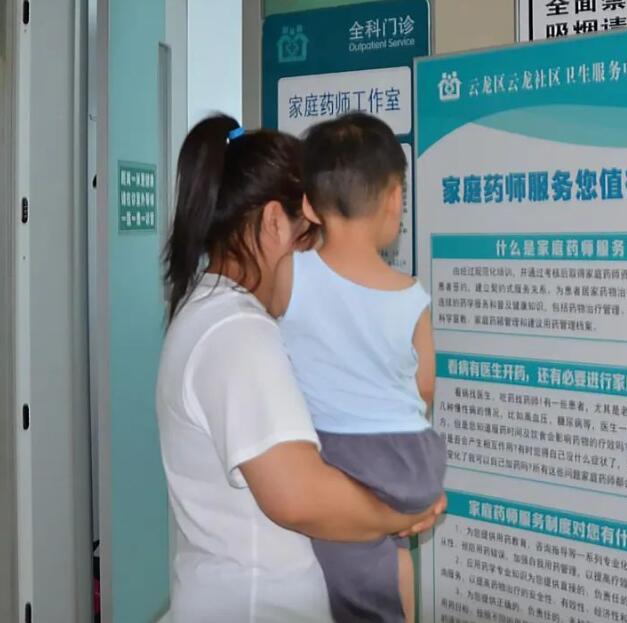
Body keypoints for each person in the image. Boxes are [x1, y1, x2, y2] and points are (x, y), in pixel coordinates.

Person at [156, 114, 445, 623]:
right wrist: (399, 512)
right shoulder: (237, 334)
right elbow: (298, 497)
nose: (318, 259)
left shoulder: (215, 313)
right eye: (311, 237)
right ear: (274, 223)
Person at [275, 113, 447, 623]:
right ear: (394, 199)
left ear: (309, 205)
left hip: (338, 454)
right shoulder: (411, 294)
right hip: (411, 460)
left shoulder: (290, 275)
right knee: (391, 553)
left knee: (348, 566)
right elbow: (425, 385)